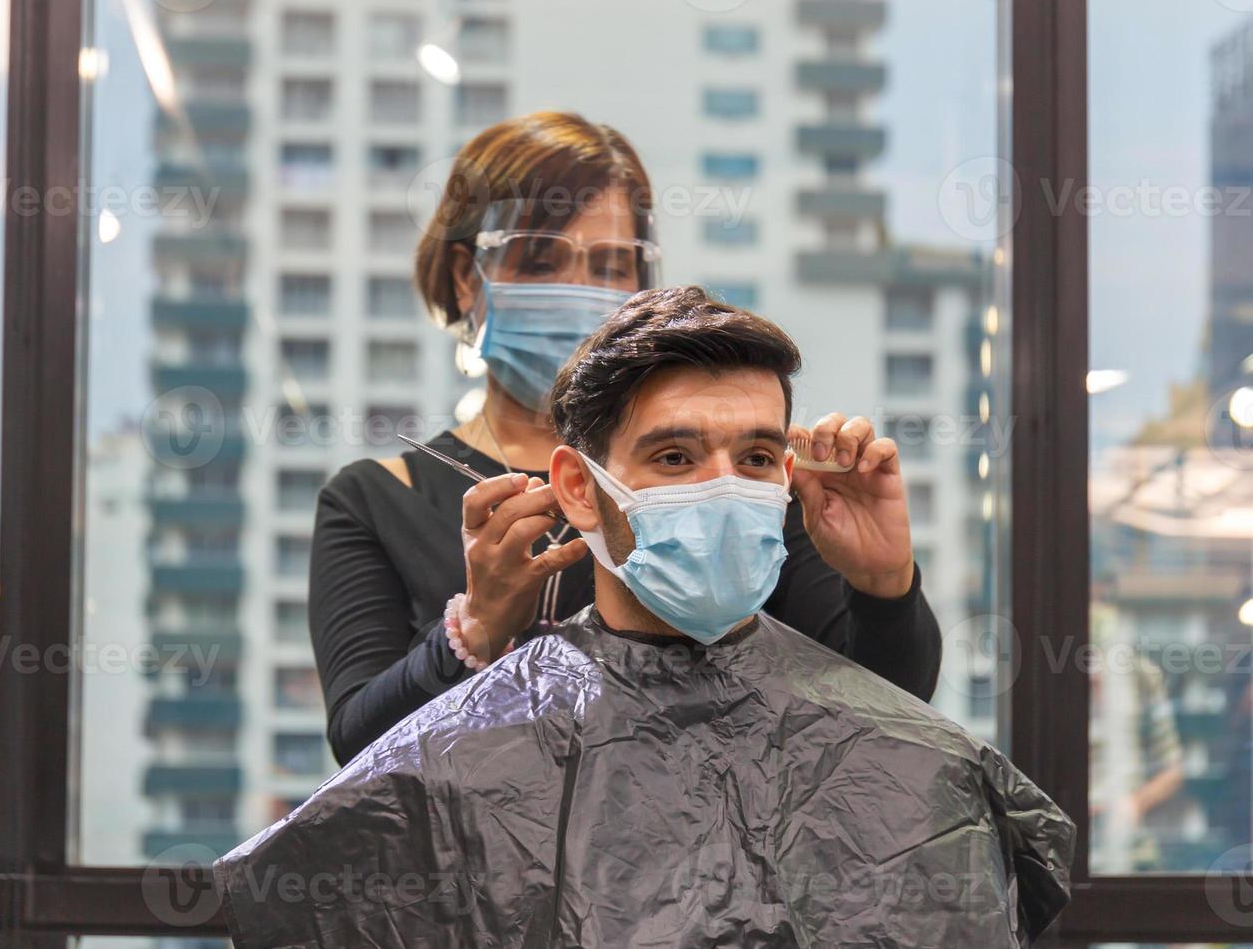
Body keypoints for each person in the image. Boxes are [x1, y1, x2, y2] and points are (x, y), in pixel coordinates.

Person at [217, 287, 1074, 947]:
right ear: (582, 488)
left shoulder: (927, 771)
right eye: (674, 455)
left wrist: (886, 583)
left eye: (756, 457)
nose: (722, 487)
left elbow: (875, 726)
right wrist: (477, 628)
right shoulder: (452, 767)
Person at [309, 111, 940, 764]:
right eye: (543, 260)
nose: (581, 292)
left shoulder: (735, 483)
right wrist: (474, 627)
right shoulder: (376, 501)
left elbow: (884, 705)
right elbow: (360, 751)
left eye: (612, 266)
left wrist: (883, 583)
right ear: (471, 278)